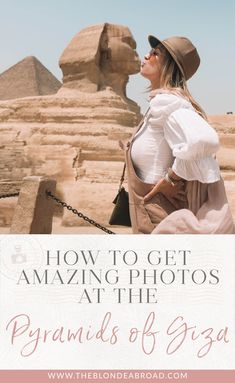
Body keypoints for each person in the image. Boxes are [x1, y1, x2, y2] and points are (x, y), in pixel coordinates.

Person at [124, 35, 235, 234]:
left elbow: (203, 140)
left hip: (159, 217)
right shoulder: (158, 104)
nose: (147, 55)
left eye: (155, 53)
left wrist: (171, 178)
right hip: (148, 213)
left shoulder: (167, 103)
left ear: (170, 65)